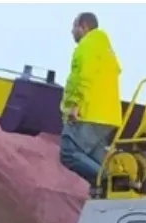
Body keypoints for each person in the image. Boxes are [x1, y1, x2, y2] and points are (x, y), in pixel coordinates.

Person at [59, 12, 122, 193]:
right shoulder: (106, 50)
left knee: (68, 153)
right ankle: (118, 185)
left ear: (84, 26)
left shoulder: (87, 45)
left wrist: (75, 105)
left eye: (74, 27)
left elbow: (83, 78)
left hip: (89, 113)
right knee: (94, 158)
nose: (72, 32)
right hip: (108, 117)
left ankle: (109, 184)